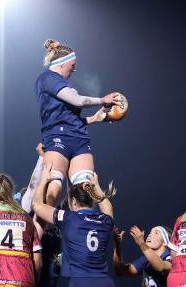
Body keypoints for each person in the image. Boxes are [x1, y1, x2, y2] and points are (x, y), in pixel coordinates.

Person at [21, 40, 124, 213]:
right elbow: (79, 101)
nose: (74, 69)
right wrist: (102, 100)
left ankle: (78, 235)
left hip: (79, 139)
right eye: (72, 65)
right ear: (62, 63)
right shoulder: (47, 78)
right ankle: (38, 237)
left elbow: (70, 120)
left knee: (84, 195)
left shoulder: (65, 85)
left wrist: (93, 119)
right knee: (52, 194)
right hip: (57, 137)